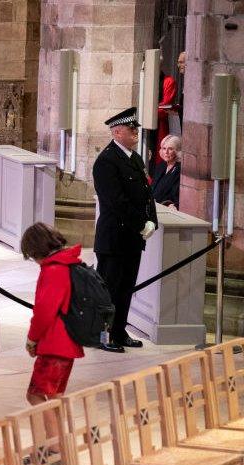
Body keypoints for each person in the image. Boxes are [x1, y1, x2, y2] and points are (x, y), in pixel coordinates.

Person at [92, 107, 158, 353]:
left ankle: (119, 331)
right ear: (117, 132)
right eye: (132, 130)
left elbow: (146, 194)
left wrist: (152, 220)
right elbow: (116, 201)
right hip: (114, 237)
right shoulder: (106, 162)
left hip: (131, 237)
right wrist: (141, 224)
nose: (136, 133)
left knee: (126, 287)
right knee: (109, 289)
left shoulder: (133, 157)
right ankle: (104, 335)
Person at [20, 222, 84, 465]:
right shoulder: (67, 262)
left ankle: (55, 451)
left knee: (36, 395)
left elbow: (45, 311)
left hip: (55, 345)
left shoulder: (54, 270)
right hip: (66, 343)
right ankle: (53, 446)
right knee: (53, 397)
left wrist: (32, 338)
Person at [151, 134, 182, 209]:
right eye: (164, 148)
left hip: (168, 209)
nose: (166, 152)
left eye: (170, 149)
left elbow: (178, 195)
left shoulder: (180, 169)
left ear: (177, 151)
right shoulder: (161, 166)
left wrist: (175, 205)